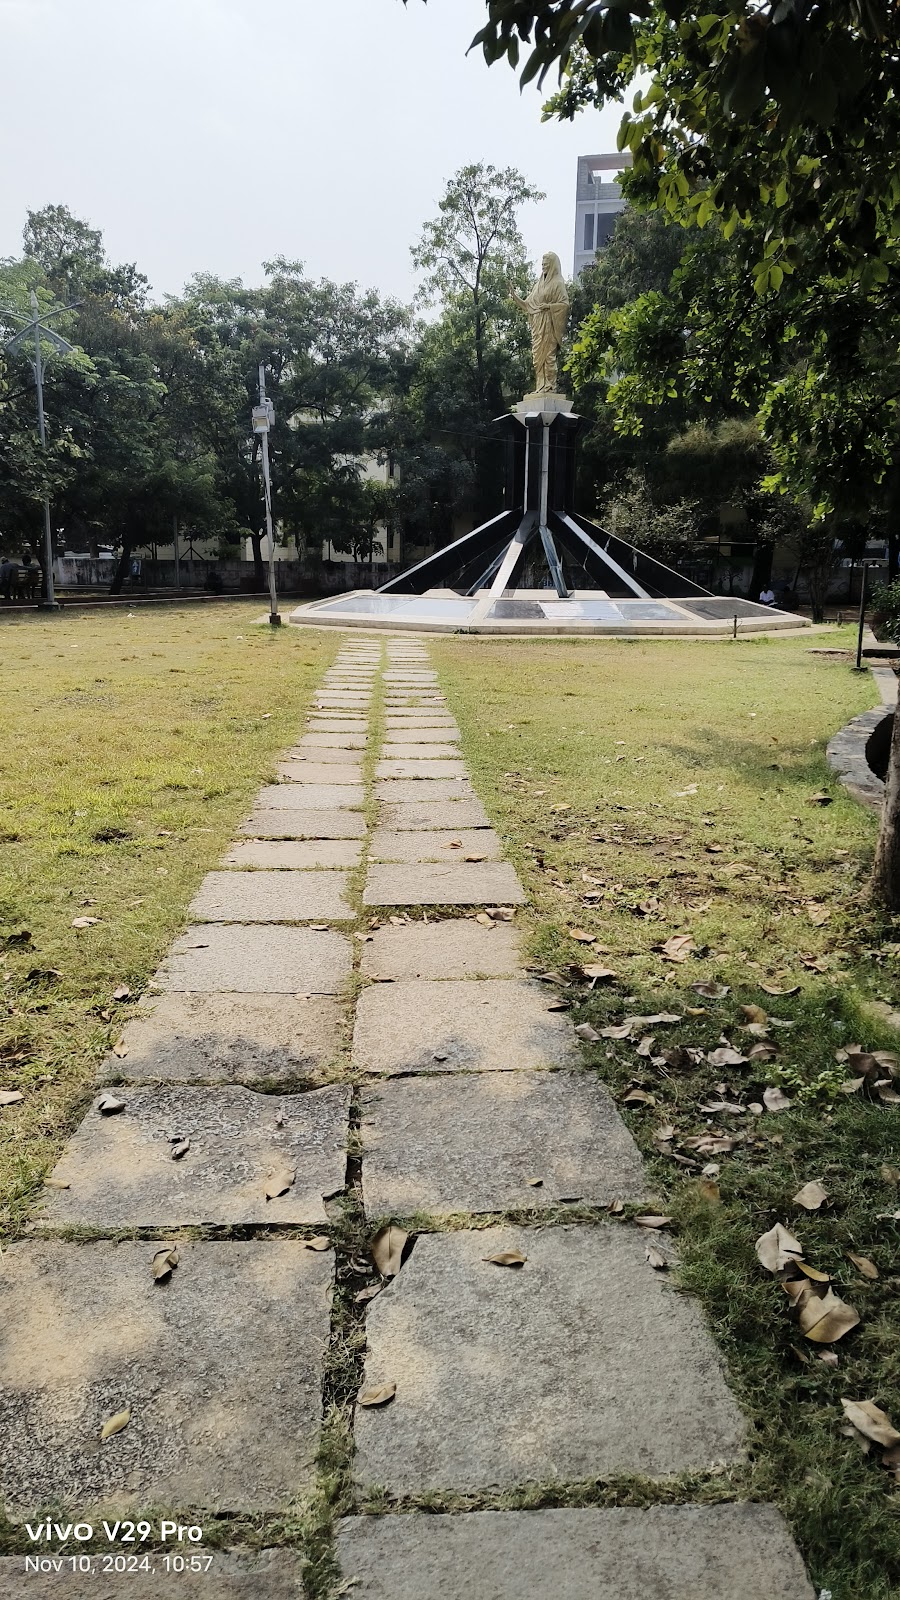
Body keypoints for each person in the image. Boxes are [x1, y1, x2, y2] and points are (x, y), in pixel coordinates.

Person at [510, 252, 570, 395]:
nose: (544, 266)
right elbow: (528, 305)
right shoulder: (537, 285)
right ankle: (540, 386)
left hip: (550, 324)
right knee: (537, 358)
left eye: (546, 263)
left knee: (549, 356)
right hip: (538, 326)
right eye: (542, 263)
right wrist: (514, 295)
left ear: (553, 264)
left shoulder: (558, 283)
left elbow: (565, 304)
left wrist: (549, 307)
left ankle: (550, 386)